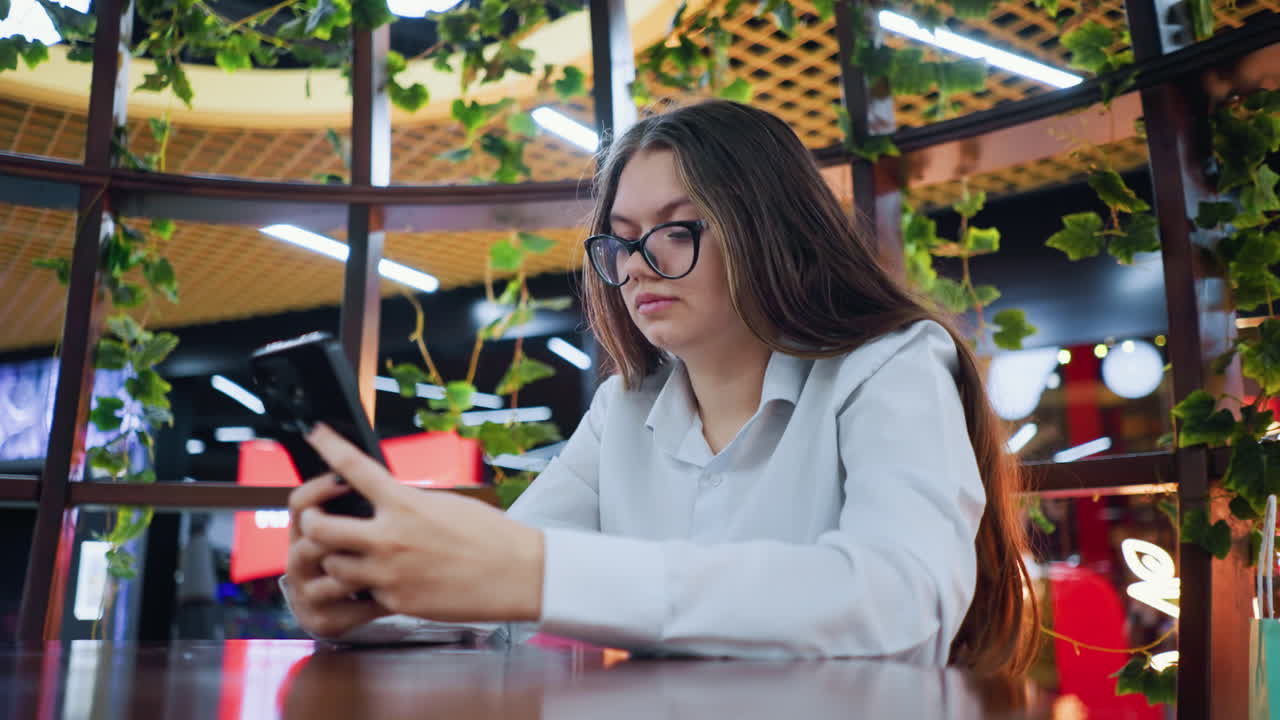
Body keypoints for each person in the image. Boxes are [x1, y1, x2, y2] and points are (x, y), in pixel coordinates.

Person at [283, 100, 1039, 679]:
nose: (637, 264)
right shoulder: (625, 410)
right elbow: (494, 602)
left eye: (677, 229)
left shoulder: (890, 364)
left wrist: (539, 573)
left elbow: (900, 601)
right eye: (620, 238)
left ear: (771, 230)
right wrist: (366, 606)